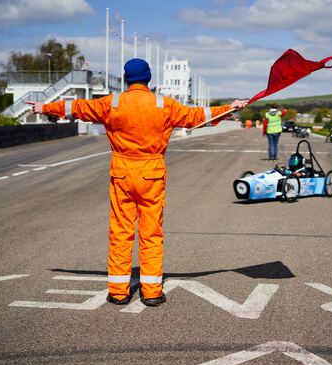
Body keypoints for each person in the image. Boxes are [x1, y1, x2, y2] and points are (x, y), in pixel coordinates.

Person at [26, 58, 248, 306]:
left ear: (126, 78)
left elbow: (78, 107)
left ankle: (118, 292)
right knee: (151, 233)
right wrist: (231, 107)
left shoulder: (113, 103)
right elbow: (197, 116)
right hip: (151, 172)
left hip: (121, 171)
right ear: (148, 78)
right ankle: (152, 292)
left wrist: (45, 108)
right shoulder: (164, 104)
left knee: (121, 232)